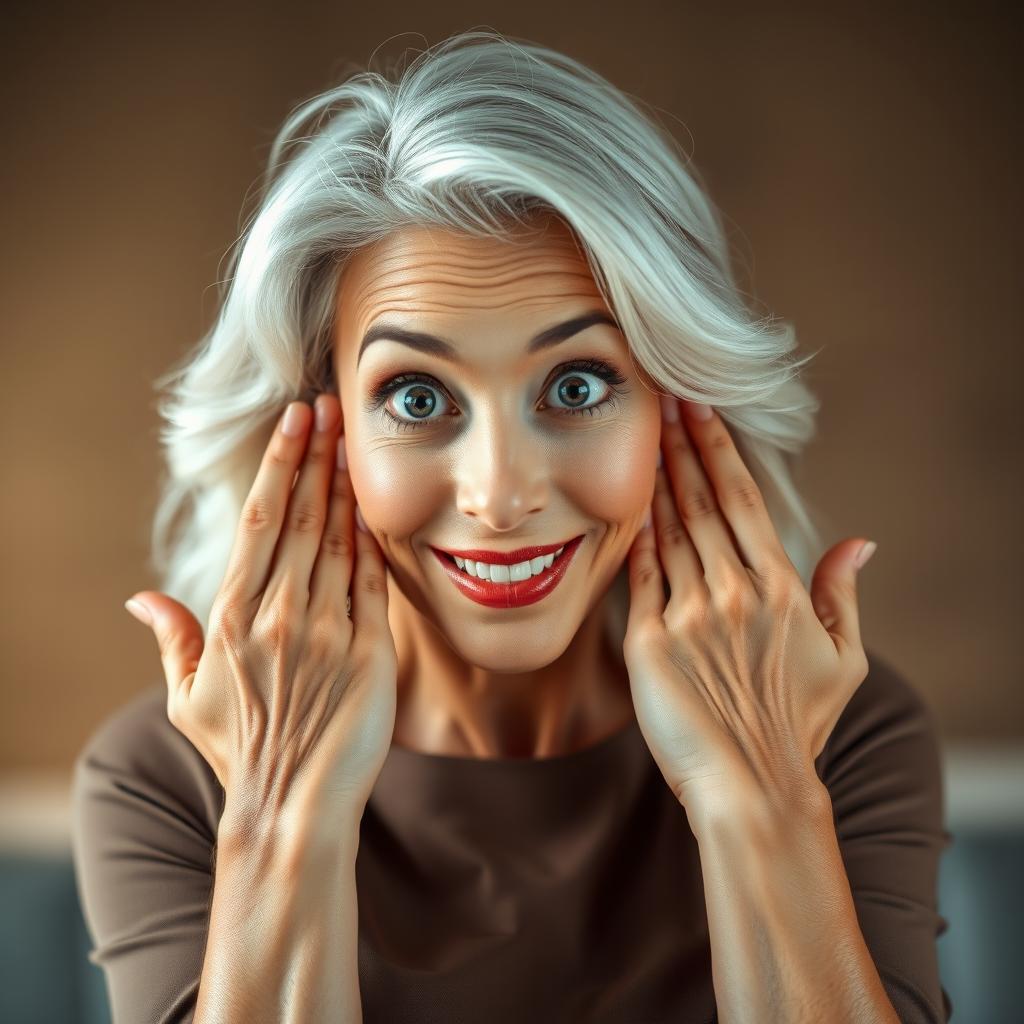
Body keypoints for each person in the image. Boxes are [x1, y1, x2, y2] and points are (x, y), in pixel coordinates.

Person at [71, 29, 953, 1023]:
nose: (499, 493)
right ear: (319, 431)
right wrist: (282, 812)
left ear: (677, 399)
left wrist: (759, 788)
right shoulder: (167, 770)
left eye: (576, 385)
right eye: (414, 396)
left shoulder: (835, 724)